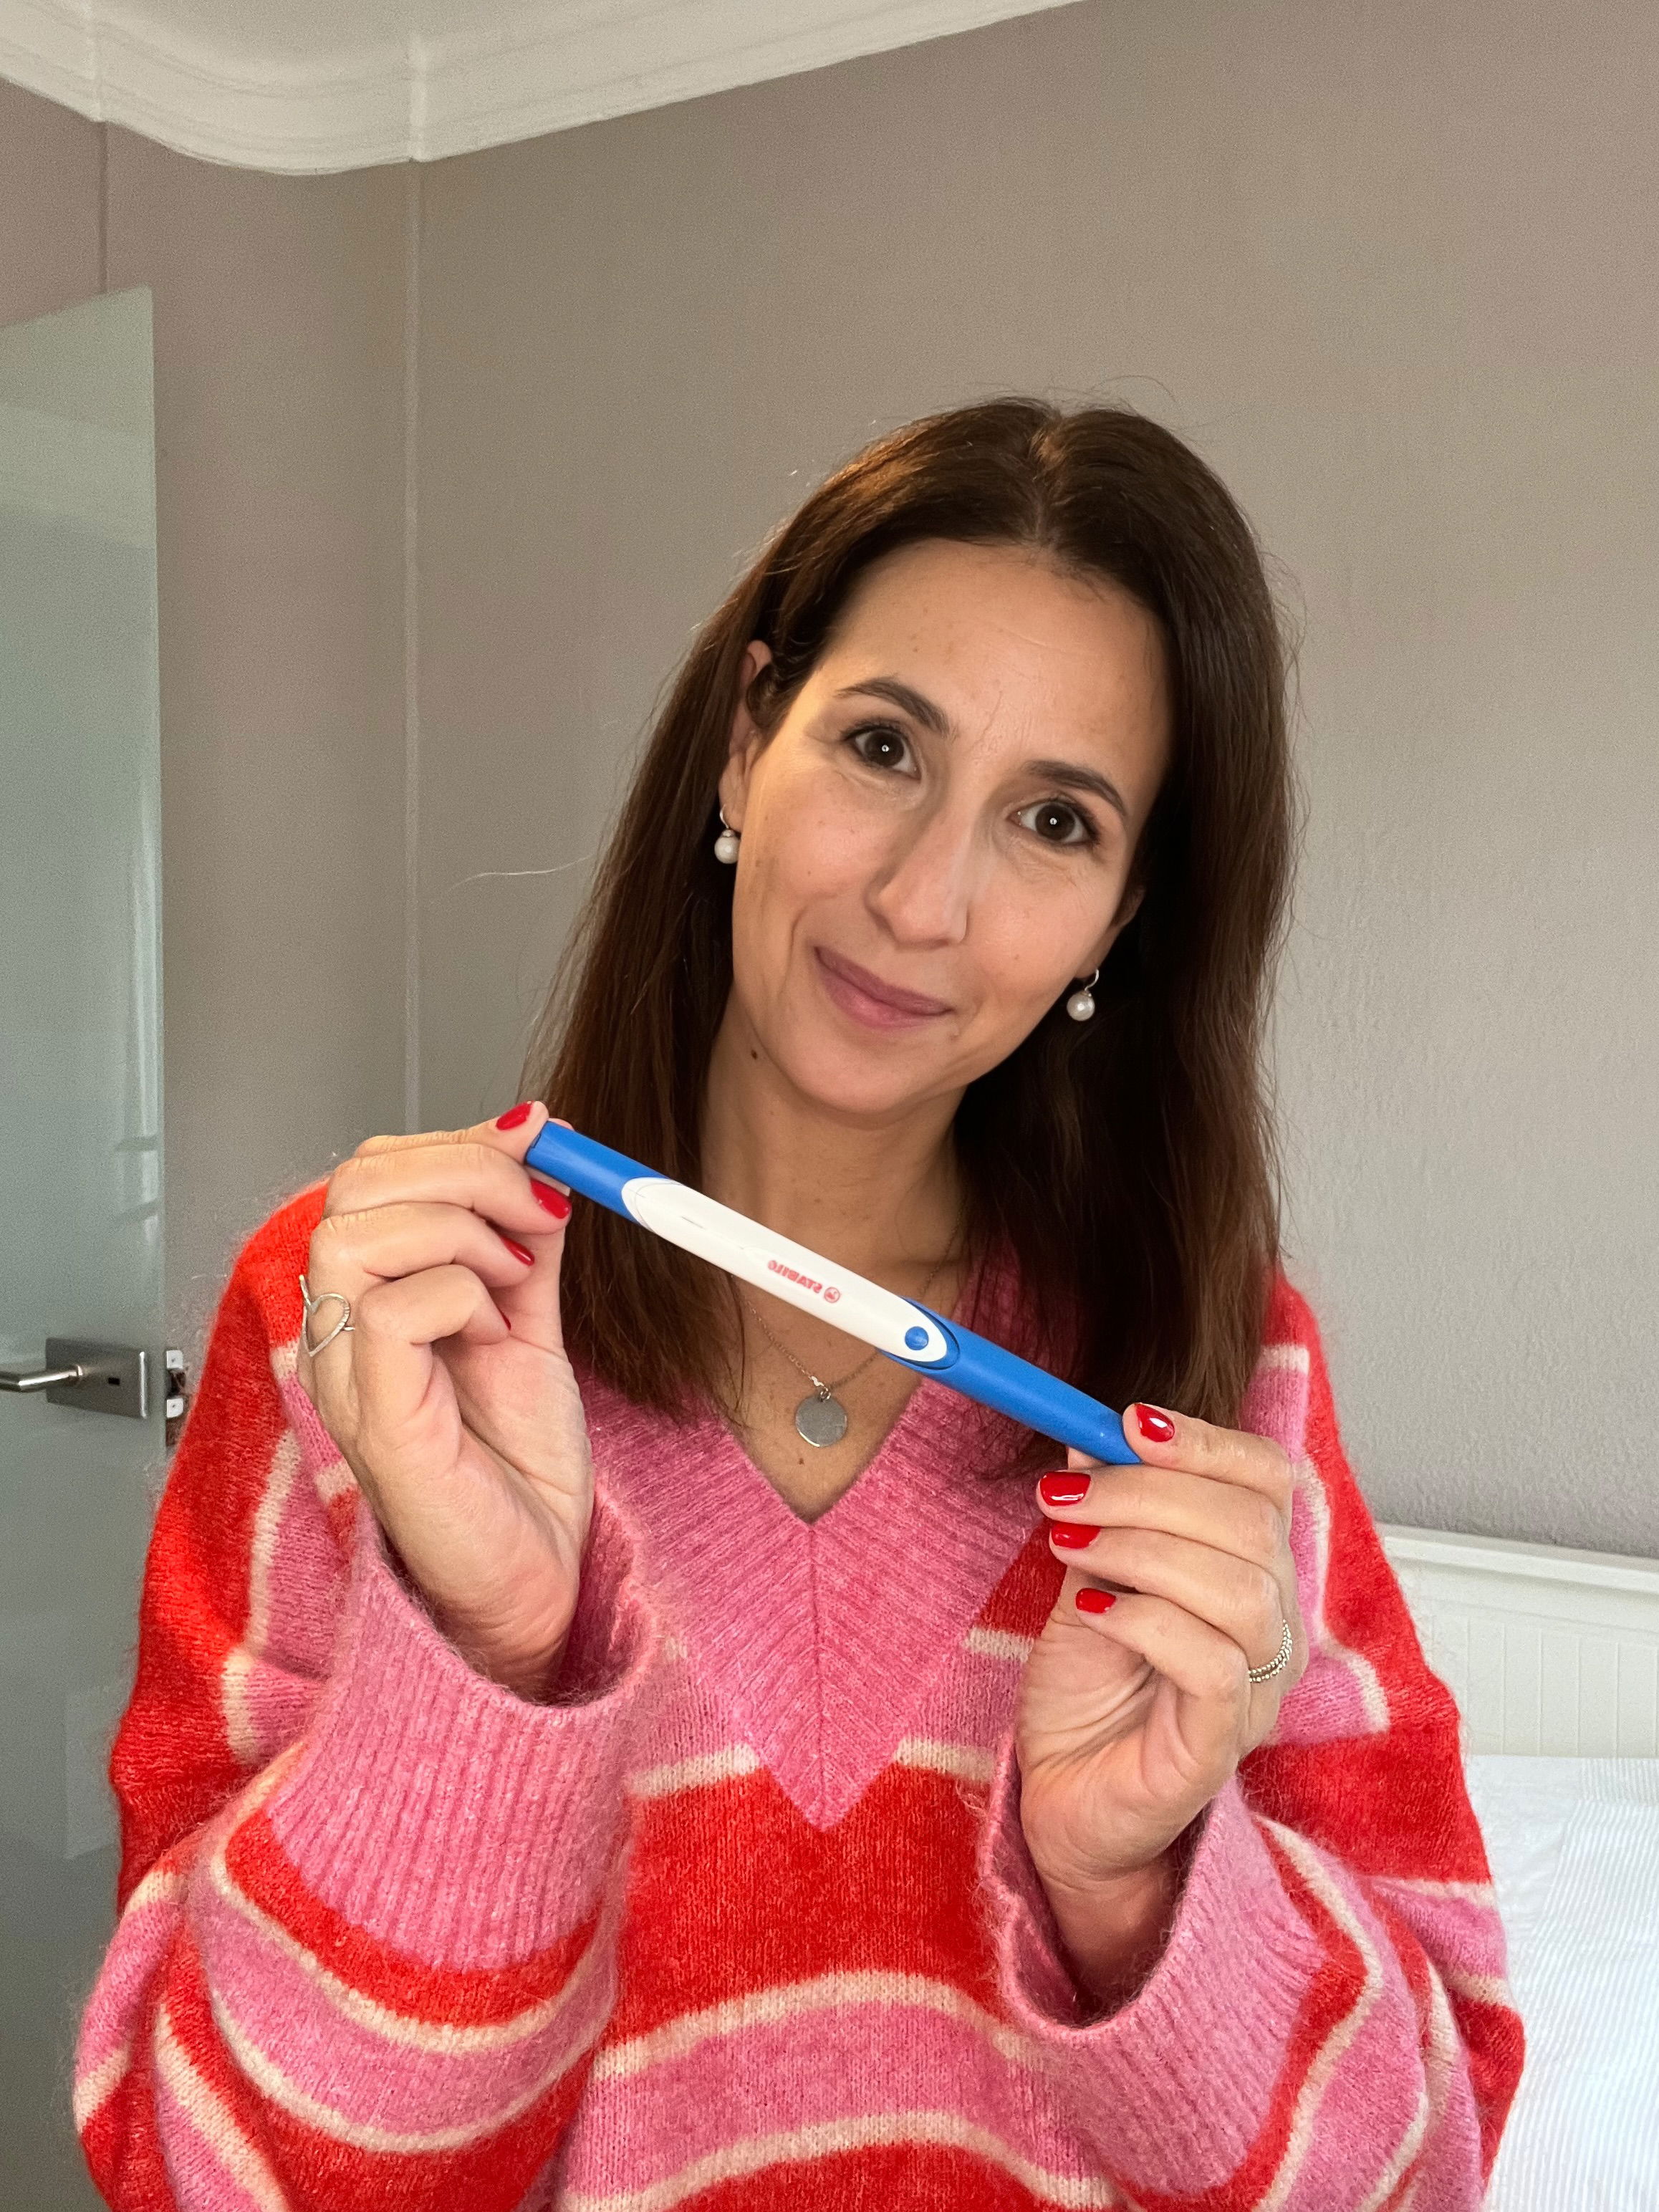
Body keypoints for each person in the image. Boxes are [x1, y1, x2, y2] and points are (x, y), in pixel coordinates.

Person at [74, 398, 1524, 2209]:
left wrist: (1138, 1888)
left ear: (1122, 915)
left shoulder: (1229, 1365)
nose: (924, 899)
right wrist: (491, 1658)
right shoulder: (372, 1314)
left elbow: (1418, 2171)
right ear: (746, 742)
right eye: (882, 744)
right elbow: (205, 2172)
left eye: (1054, 819)